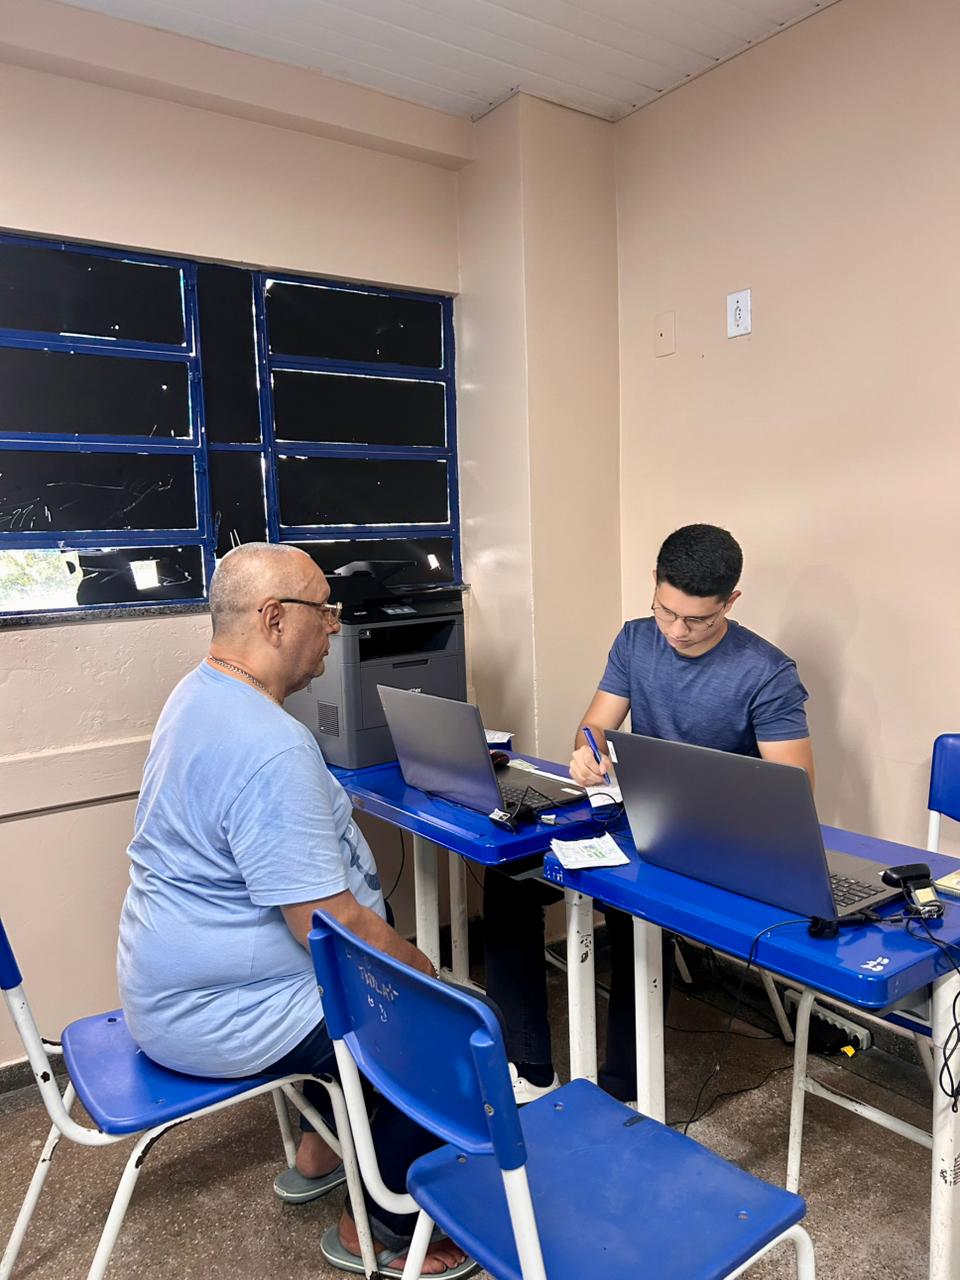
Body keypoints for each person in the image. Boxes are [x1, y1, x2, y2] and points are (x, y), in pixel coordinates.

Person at [118, 543, 474, 1279]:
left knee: (384, 968)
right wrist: (424, 972)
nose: (336, 626)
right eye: (326, 610)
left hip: (172, 987)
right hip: (218, 1011)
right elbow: (324, 924)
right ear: (275, 618)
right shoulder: (270, 747)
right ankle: (378, 1229)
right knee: (439, 1025)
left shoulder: (199, 692)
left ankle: (322, 1152)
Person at [483, 523, 813, 1103]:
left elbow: (795, 793)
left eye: (697, 620)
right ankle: (527, 1064)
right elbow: (594, 727)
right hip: (630, 817)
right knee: (507, 880)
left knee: (634, 902)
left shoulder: (767, 672)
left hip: (707, 840)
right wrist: (588, 753)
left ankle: (624, 1088)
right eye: (666, 612)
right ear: (655, 584)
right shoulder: (636, 639)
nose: (677, 631)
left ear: (731, 602)